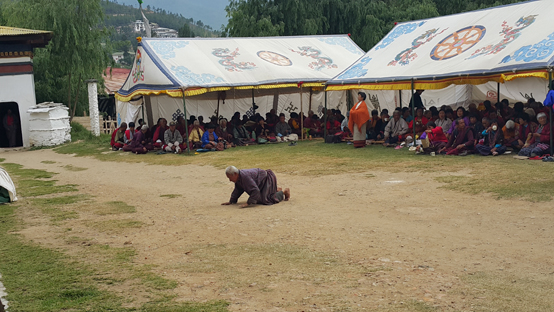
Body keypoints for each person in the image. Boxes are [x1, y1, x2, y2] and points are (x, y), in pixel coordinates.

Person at [221, 166, 290, 208]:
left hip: (266, 179)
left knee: (266, 200)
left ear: (235, 174)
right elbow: (238, 190)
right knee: (259, 198)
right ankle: (275, 189)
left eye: (230, 178)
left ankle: (283, 192)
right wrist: (232, 201)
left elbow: (255, 190)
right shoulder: (239, 178)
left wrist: (248, 203)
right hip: (260, 182)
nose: (230, 180)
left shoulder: (245, 176)